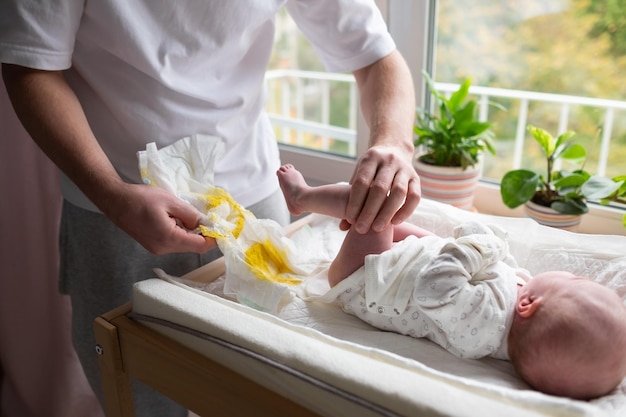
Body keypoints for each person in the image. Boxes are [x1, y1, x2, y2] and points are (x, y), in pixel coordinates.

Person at [0, 2, 421, 416]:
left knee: (263, 390)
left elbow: (377, 59)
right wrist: (110, 192)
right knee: (138, 392)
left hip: (252, 199)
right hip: (115, 209)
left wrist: (392, 144)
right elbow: (31, 66)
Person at [277, 163, 626, 400]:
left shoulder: (485, 324)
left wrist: (476, 245)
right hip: (405, 260)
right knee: (386, 214)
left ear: (529, 305)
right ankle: (328, 204)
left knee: (375, 205)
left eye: (574, 279)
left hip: (366, 278)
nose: (572, 275)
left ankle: (302, 198)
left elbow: (436, 288)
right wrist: (483, 244)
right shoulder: (520, 301)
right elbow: (498, 266)